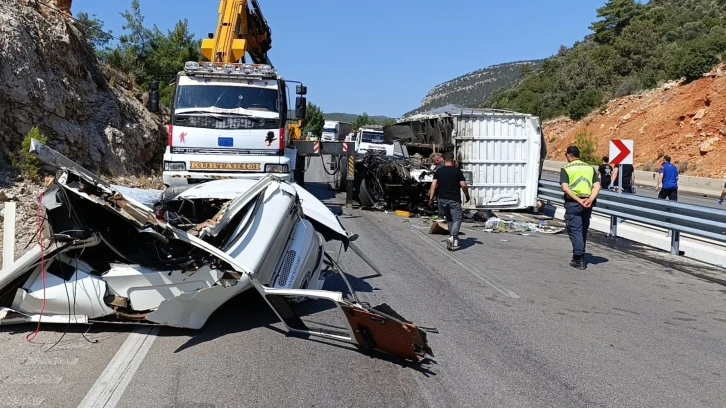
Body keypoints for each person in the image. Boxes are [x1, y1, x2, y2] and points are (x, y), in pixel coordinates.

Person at [560, 146, 601, 270]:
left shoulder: (566, 169)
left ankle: (579, 259)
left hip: (574, 202)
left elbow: (565, 188)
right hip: (588, 203)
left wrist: (579, 200)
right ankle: (578, 254)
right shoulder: (590, 168)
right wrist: (590, 199)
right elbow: (597, 186)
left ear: (568, 155)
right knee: (582, 229)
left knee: (575, 230)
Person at [428, 152, 470, 251]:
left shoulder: (438, 171)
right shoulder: (457, 171)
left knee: (450, 220)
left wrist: (431, 198)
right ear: (453, 160)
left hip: (442, 200)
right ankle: (453, 236)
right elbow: (463, 185)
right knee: (457, 219)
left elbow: (433, 185)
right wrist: (467, 195)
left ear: (444, 159)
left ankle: (453, 239)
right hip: (454, 199)